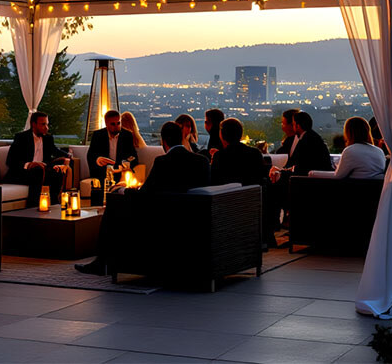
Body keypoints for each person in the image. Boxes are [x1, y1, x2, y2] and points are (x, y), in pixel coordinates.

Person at [75, 121, 211, 276]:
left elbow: (144, 195)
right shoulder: (202, 162)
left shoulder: (163, 162)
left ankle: (101, 263)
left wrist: (123, 191)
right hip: (194, 220)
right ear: (181, 138)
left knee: (114, 207)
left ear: (163, 141)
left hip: (161, 219)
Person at [211, 118, 284, 247]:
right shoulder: (254, 154)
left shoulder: (220, 157)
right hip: (253, 203)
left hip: (229, 206)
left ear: (222, 135)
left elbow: (214, 183)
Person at [4, 111, 71, 207]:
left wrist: (68, 156)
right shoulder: (21, 138)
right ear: (33, 124)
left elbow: (55, 150)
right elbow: (10, 161)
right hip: (22, 173)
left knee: (57, 172)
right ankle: (33, 207)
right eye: (43, 124)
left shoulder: (48, 138)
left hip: (42, 170)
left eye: (47, 124)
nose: (46, 128)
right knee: (38, 171)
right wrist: (29, 164)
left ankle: (54, 205)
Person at [87, 110, 139, 187]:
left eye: (118, 123)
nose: (116, 127)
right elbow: (90, 156)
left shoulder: (127, 135)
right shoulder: (98, 135)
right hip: (102, 173)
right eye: (113, 124)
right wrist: (98, 160)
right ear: (106, 124)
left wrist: (126, 164)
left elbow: (134, 157)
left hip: (121, 174)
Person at [284, 111, 333, 176]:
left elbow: (303, 165)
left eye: (293, 124)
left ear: (297, 126)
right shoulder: (312, 137)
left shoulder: (307, 140)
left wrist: (283, 171)